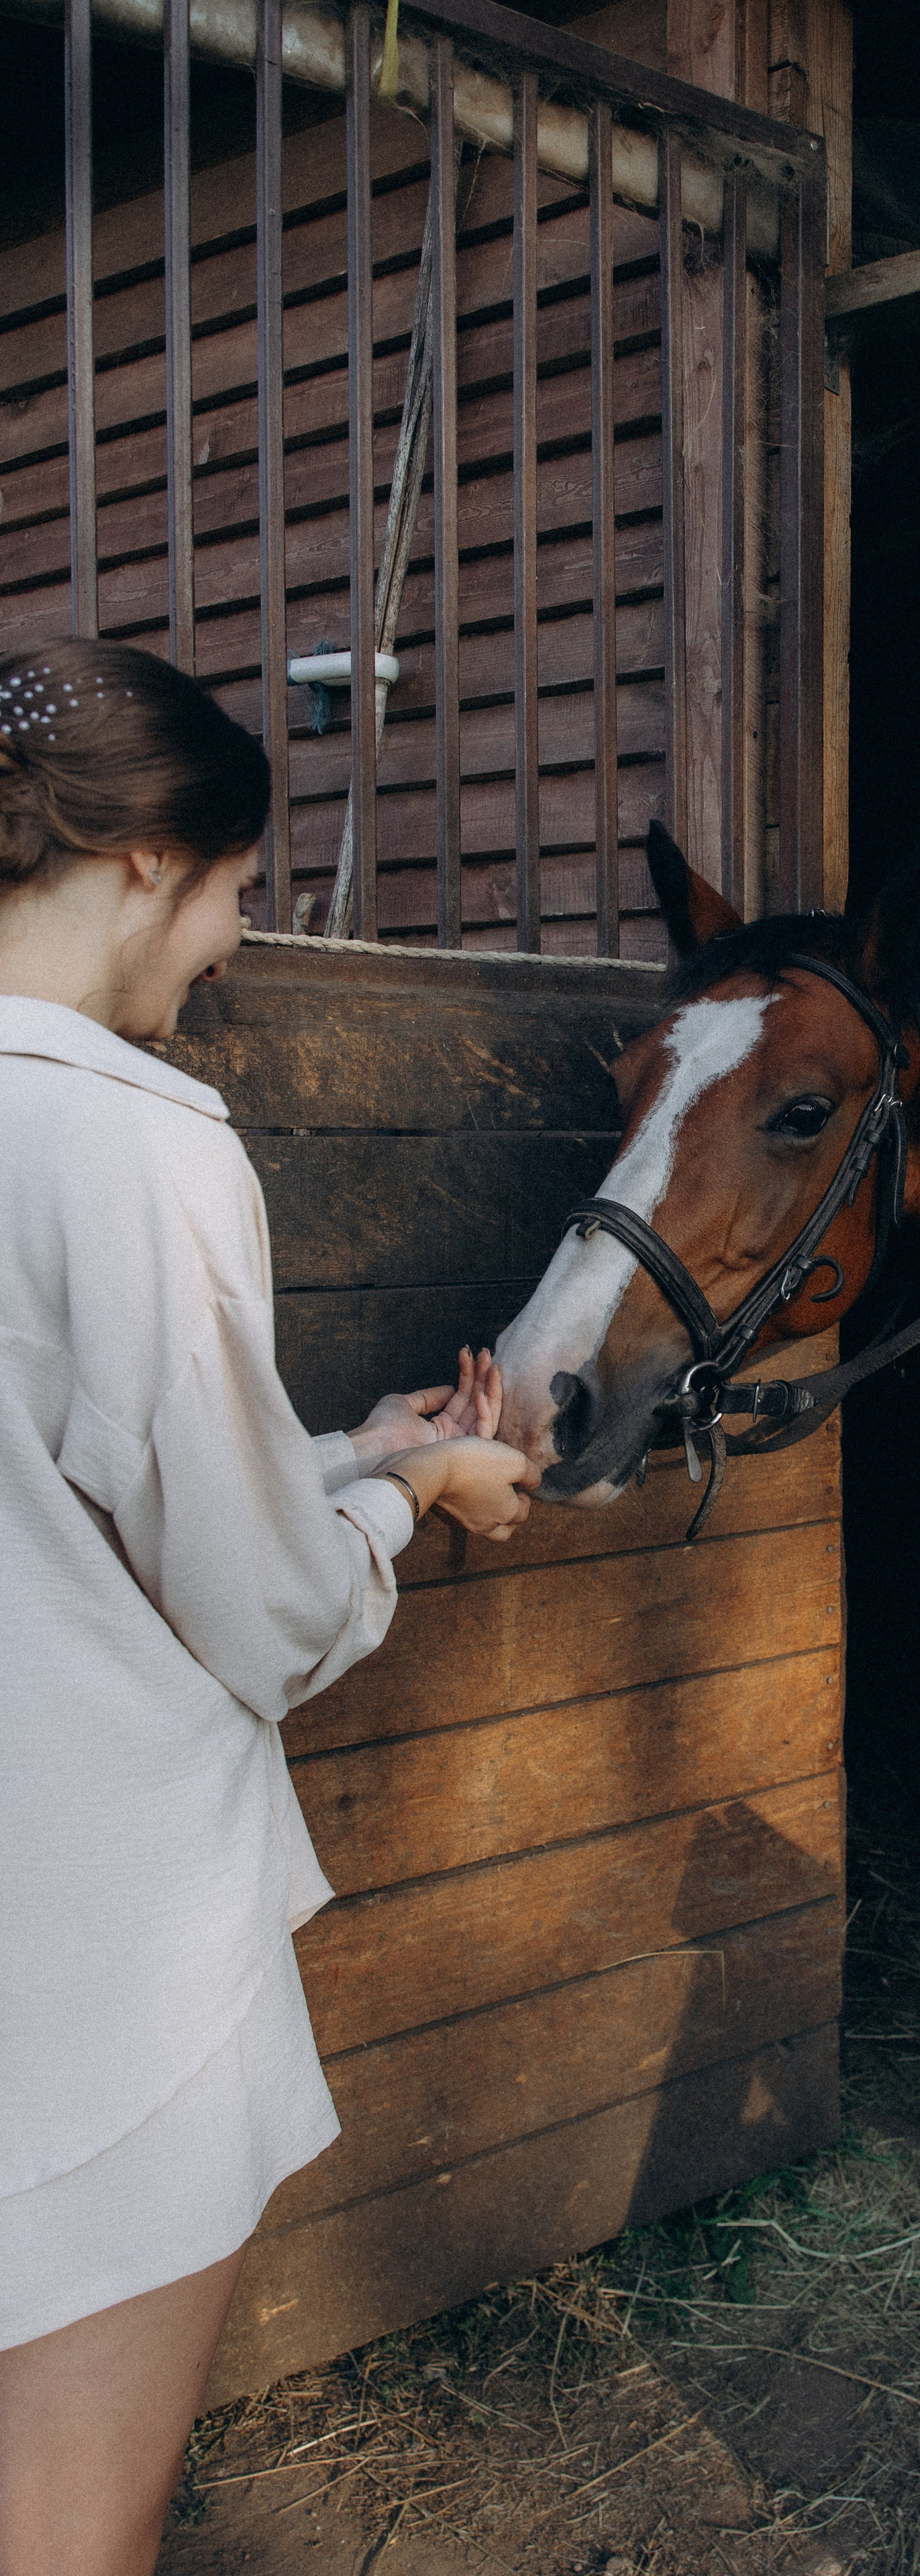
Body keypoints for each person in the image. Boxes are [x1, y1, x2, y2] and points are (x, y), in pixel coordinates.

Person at [0, 639, 542, 2574]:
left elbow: (53, 1498)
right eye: (237, 892)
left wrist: (328, 1450)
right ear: (148, 860)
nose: (231, 945)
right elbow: (257, 1614)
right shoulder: (133, 1144)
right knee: (68, 2533)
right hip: (84, 1953)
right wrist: (411, 1493)